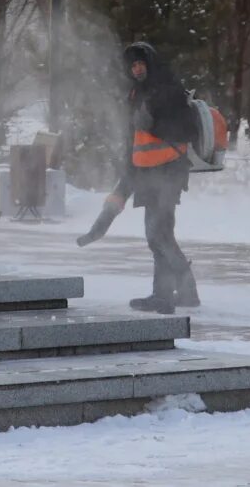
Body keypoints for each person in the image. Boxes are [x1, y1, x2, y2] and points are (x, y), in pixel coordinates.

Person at [76, 42, 201, 313]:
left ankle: (169, 292)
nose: (137, 69)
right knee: (158, 236)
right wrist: (119, 193)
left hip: (168, 173)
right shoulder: (136, 94)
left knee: (159, 234)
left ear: (150, 62)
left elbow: (187, 130)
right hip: (146, 174)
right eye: (132, 66)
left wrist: (154, 123)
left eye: (140, 63)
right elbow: (133, 143)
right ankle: (178, 292)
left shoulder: (169, 88)